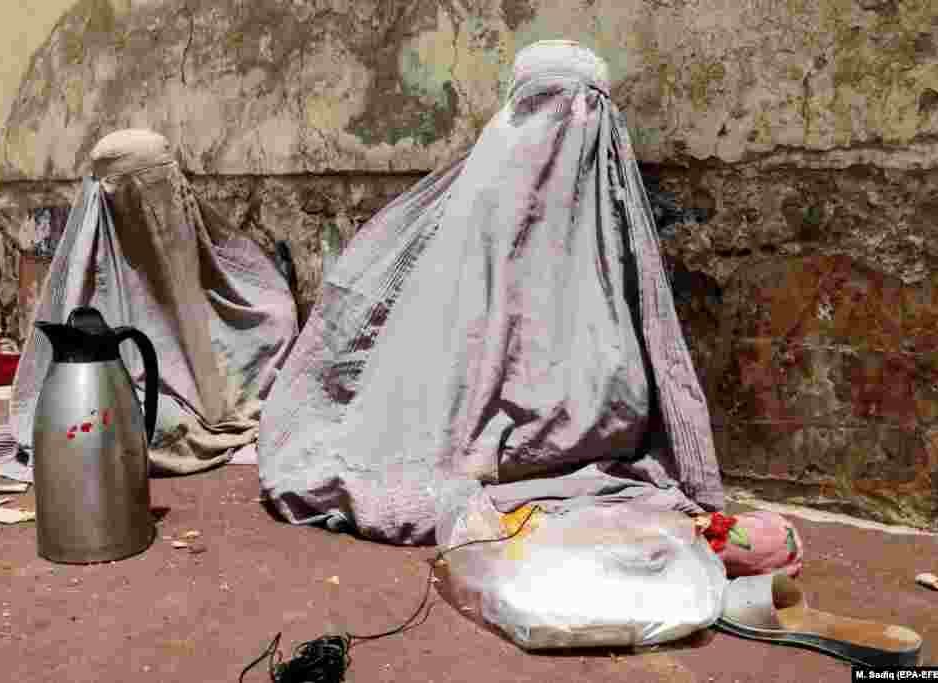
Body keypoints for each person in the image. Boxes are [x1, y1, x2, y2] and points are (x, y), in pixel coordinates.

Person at [256, 40, 723, 545]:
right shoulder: (490, 191)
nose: (557, 128)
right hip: (501, 422)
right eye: (543, 106)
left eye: (577, 107)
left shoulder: (596, 204)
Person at [0, 129, 298, 478]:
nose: (153, 206)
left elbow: (252, 311)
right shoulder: (89, 266)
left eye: (162, 187)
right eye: (137, 191)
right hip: (137, 392)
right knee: (134, 424)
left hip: (212, 378)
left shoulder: (192, 233)